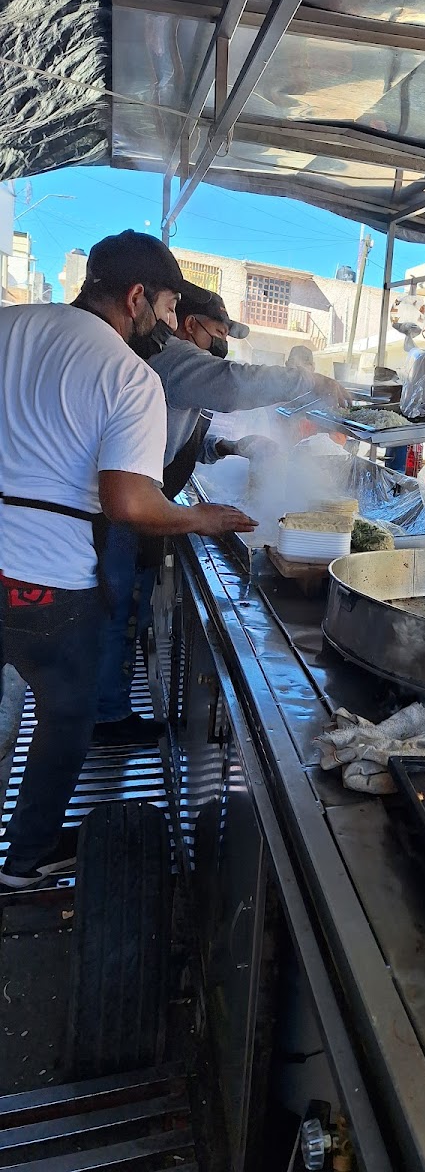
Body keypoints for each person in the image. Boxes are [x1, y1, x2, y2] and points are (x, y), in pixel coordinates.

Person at [0, 230, 256, 889]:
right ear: (137, 297)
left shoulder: (10, 325)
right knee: (65, 715)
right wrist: (205, 517)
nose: (170, 325)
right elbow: (128, 502)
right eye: (170, 309)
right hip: (50, 584)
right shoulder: (127, 373)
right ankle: (26, 862)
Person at [93, 284, 347, 746]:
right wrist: (310, 382)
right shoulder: (175, 357)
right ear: (188, 322)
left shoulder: (180, 367)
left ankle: (108, 704)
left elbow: (183, 431)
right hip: (126, 509)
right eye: (218, 331)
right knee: (120, 612)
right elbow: (235, 383)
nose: (222, 341)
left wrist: (230, 445)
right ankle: (107, 716)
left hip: (140, 502)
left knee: (128, 610)